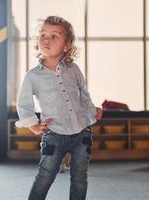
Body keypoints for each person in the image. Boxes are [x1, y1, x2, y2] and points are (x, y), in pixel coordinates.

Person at [15, 16, 102, 200]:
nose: (46, 39)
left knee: (80, 178)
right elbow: (24, 104)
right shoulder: (33, 76)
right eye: (43, 35)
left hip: (81, 133)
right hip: (54, 134)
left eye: (54, 36)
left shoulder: (74, 70)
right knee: (45, 175)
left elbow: (83, 95)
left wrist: (92, 112)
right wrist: (34, 125)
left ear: (66, 45)